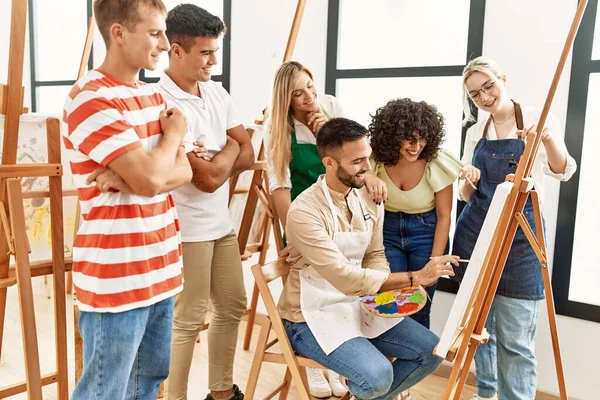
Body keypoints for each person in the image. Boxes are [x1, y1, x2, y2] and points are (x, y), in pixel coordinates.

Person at [63, 0, 192, 398]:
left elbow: (184, 172)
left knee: (146, 387)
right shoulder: (90, 99)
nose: (165, 43)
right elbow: (155, 177)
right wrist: (171, 138)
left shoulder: (153, 98)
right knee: (106, 392)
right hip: (116, 279)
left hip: (161, 271)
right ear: (118, 33)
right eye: (155, 33)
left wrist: (136, 175)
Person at [280, 117, 460, 400]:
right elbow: (342, 275)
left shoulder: (367, 197)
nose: (367, 167)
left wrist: (377, 299)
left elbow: (375, 254)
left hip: (356, 304)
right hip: (309, 317)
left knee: (432, 352)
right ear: (329, 163)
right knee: (378, 376)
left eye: (367, 157)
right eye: (357, 162)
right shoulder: (305, 211)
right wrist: (413, 278)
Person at [453, 56, 577, 400]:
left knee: (517, 339)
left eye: (488, 86)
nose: (485, 97)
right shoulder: (476, 132)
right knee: (479, 330)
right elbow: (465, 195)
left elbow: (562, 170)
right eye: (475, 94)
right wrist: (469, 180)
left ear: (502, 79)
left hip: (522, 238)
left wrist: (546, 138)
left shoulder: (539, 116)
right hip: (477, 235)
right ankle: (486, 393)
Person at [156, 4, 254, 400]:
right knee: (190, 318)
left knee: (233, 305)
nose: (214, 61)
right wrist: (230, 146)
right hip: (185, 228)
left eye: (216, 51)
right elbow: (211, 179)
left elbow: (247, 151)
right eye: (205, 53)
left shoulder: (216, 92)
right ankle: (174, 397)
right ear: (176, 50)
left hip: (220, 225)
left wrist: (224, 152)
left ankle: (221, 393)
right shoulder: (161, 101)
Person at [263, 60, 347, 398]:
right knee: (306, 298)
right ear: (287, 100)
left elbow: (351, 163)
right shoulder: (277, 128)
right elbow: (279, 186)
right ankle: (311, 362)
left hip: (339, 217)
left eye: (311, 87)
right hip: (301, 218)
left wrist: (327, 133)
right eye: (299, 94)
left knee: (339, 295)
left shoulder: (333, 107)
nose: (310, 97)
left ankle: (336, 363)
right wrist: (296, 235)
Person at [367, 98, 463, 329]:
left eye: (421, 138)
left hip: (427, 232)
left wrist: (435, 262)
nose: (415, 145)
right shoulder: (376, 161)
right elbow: (355, 175)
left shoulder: (435, 162)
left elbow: (444, 216)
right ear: (392, 136)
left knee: (419, 303)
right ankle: (389, 362)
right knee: (391, 300)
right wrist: (368, 177)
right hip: (387, 231)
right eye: (408, 138)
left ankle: (416, 364)